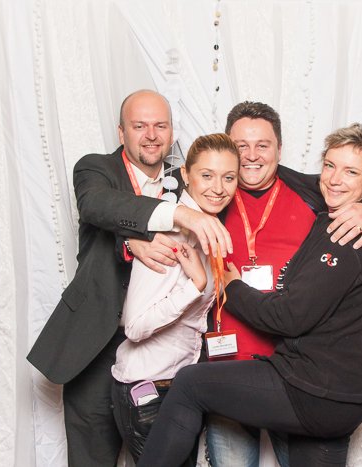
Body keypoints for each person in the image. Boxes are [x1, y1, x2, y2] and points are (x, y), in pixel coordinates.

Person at [131, 101, 362, 467]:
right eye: (241, 146)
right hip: (259, 367)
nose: (251, 156)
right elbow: (135, 209)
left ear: (279, 150)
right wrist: (131, 241)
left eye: (263, 145)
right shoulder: (210, 192)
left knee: (191, 384)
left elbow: (291, 314)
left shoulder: (331, 213)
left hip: (304, 380)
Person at [26, 90, 232, 467]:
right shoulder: (96, 169)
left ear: (172, 132)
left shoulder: (187, 178)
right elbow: (98, 206)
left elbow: (244, 182)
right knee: (92, 458)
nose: (151, 135)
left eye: (161, 126)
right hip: (96, 343)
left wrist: (359, 205)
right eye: (140, 126)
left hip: (161, 350)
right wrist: (141, 235)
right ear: (122, 132)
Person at [111, 133, 240, 464]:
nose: (218, 188)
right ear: (185, 174)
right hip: (149, 391)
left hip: (180, 388)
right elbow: (135, 327)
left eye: (228, 177)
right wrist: (195, 286)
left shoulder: (207, 230)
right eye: (207, 175)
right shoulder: (170, 233)